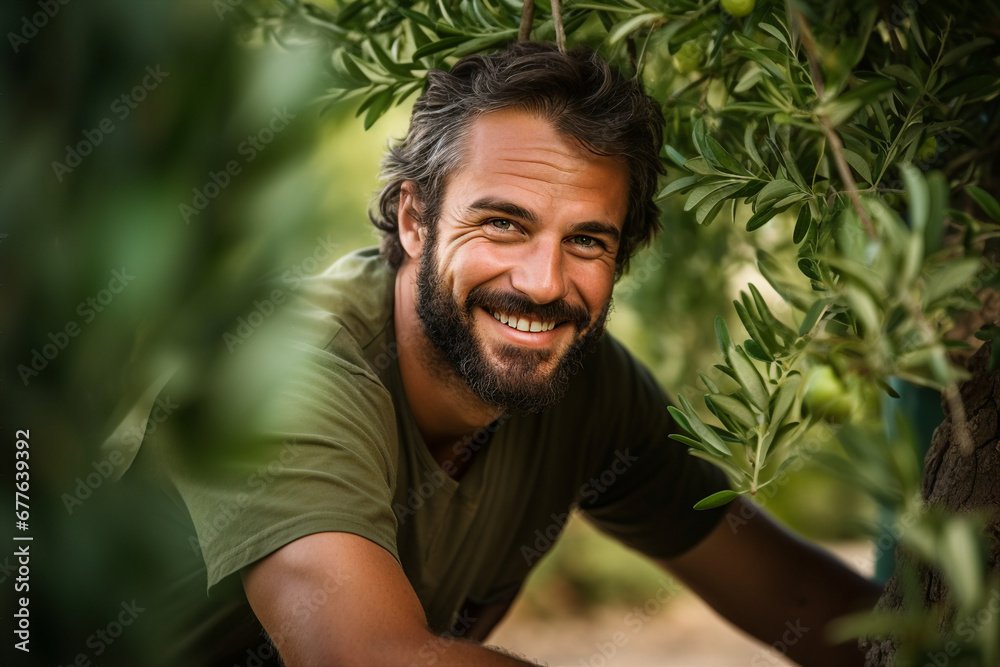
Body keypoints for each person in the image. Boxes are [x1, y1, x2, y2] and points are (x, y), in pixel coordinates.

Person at [126, 41, 879, 666]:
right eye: (504, 225)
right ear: (415, 218)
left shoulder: (590, 388)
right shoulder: (282, 368)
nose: (544, 284)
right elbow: (364, 658)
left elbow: (800, 601)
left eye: (588, 240)